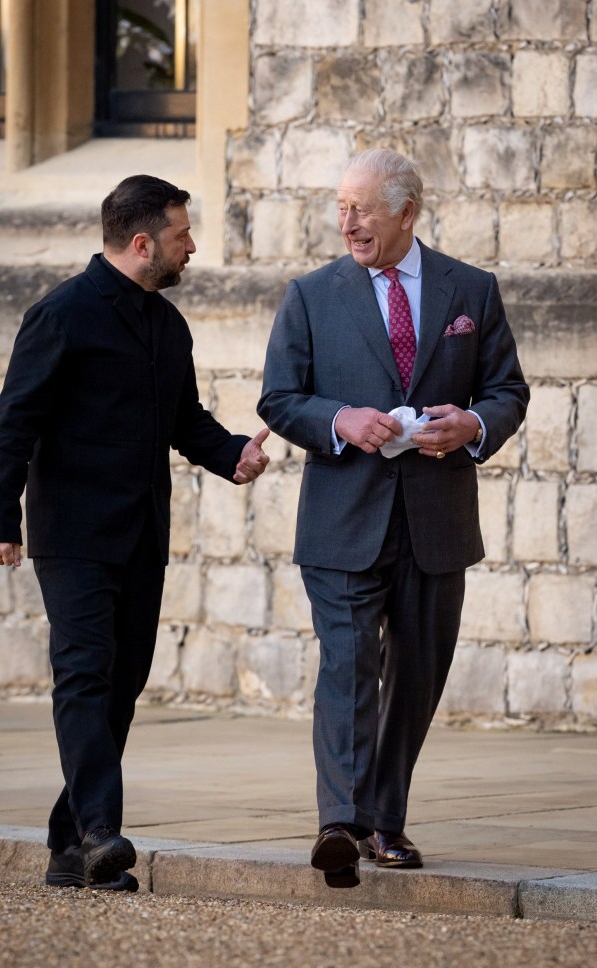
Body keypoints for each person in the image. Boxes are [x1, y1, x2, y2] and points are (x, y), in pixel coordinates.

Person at [0, 174, 269, 892]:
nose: (191, 247)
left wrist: (233, 453)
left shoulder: (168, 326)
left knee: (122, 687)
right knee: (84, 675)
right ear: (143, 244)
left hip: (142, 536)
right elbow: (16, 420)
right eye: (181, 236)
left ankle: (68, 845)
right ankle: (103, 831)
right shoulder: (62, 314)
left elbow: (183, 419)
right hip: (72, 535)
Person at [257, 148, 528, 889]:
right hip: (343, 518)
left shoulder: (471, 289)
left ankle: (385, 819)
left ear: (407, 210)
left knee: (416, 676)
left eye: (362, 208)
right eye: (341, 207)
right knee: (349, 665)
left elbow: (507, 390)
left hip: (436, 521)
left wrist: (470, 425)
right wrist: (341, 417)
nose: (347, 223)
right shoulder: (311, 296)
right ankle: (339, 822)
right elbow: (280, 398)